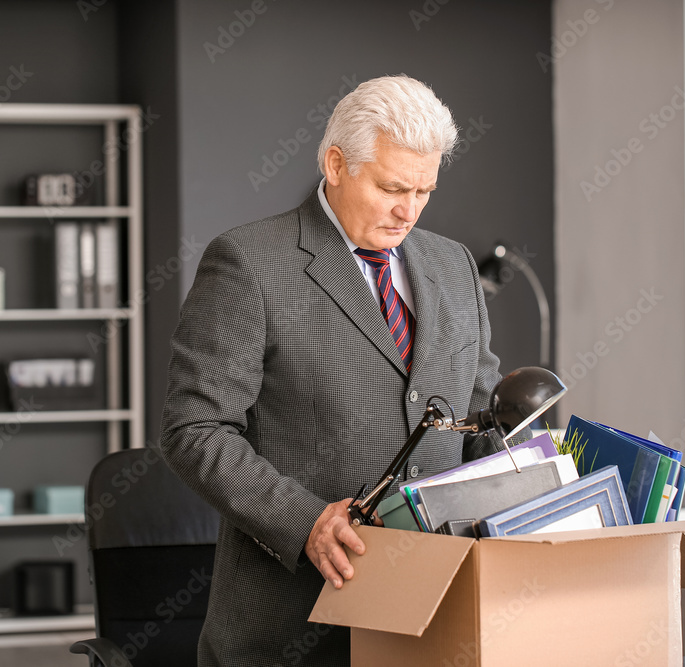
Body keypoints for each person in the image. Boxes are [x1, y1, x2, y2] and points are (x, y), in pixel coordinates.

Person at [160, 74, 502, 667]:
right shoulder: (249, 262)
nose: (408, 211)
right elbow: (194, 430)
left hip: (435, 622)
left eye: (424, 191)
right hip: (294, 622)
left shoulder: (452, 265)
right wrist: (305, 522)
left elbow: (481, 413)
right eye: (392, 187)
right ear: (337, 163)